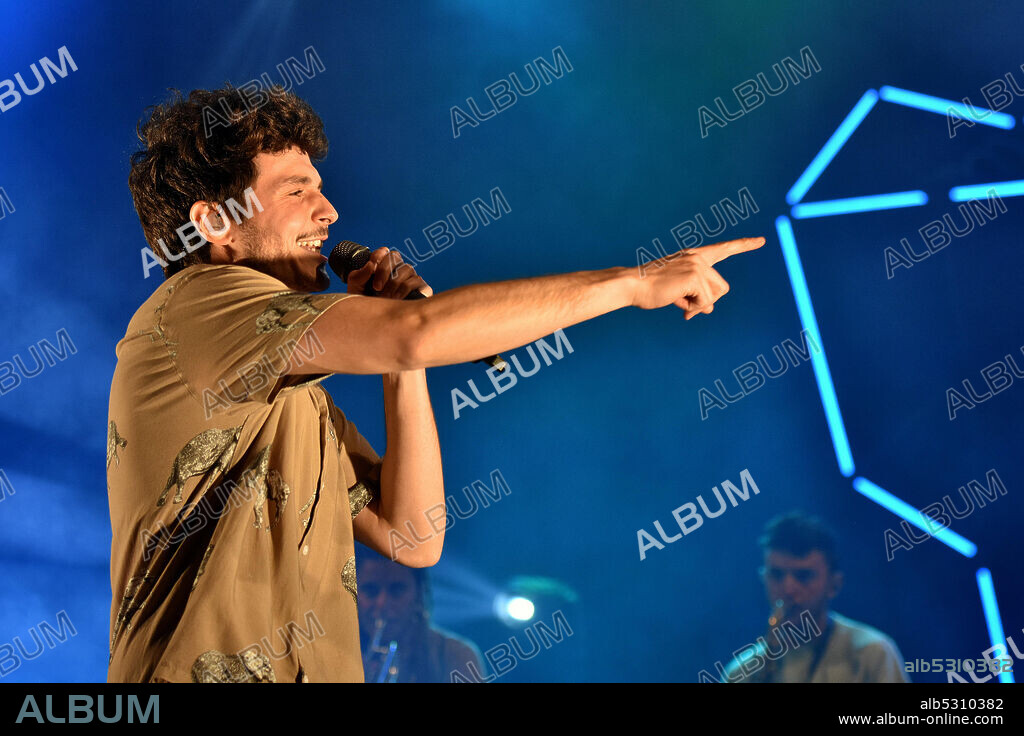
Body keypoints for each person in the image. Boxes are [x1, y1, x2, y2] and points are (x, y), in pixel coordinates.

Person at [107, 83, 763, 683]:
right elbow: (417, 330)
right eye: (297, 190)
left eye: (321, 188)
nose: (329, 211)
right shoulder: (200, 303)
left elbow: (412, 537)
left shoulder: (285, 394)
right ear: (216, 222)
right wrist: (635, 283)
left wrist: (404, 359)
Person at [721, 512, 909, 683]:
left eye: (803, 576)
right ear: (763, 579)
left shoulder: (872, 652)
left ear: (834, 585)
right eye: (776, 575)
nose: (788, 590)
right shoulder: (741, 672)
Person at [356, 549, 484, 683]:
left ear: (418, 594)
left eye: (397, 590)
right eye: (370, 591)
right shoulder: (336, 651)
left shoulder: (456, 655)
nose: (382, 603)